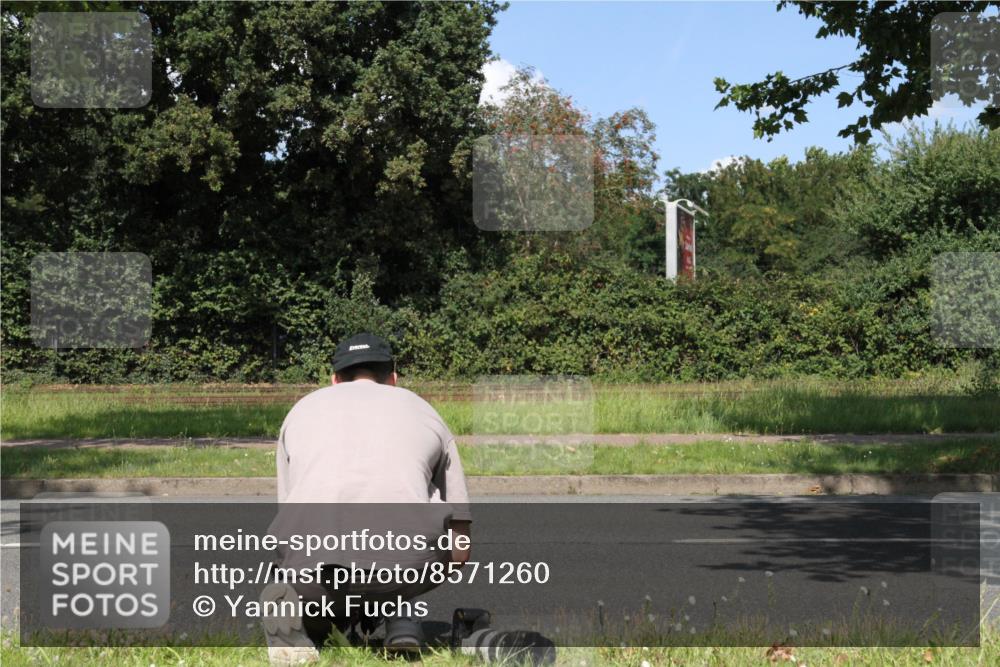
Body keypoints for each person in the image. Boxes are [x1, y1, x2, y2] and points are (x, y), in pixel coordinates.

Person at [262, 333, 472, 665]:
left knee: (297, 572)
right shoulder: (424, 411)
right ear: (393, 379)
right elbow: (461, 545)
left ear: (333, 380)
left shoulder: (301, 411)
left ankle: (307, 625)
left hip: (315, 572)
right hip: (406, 569)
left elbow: (291, 515)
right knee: (421, 518)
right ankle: (400, 616)